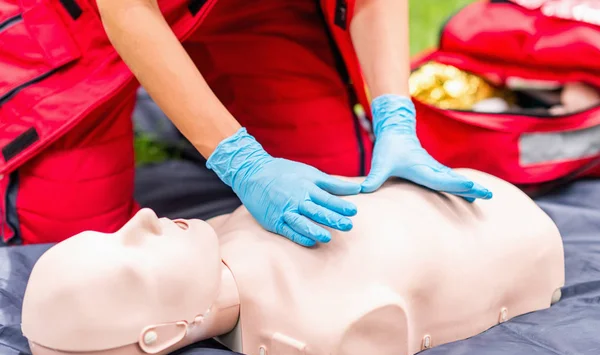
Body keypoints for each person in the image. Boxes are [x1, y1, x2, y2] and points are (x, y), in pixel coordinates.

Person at [0, 0, 491, 247]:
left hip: (248, 9)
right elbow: (128, 9)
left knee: (340, 208)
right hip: (78, 21)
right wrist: (242, 162)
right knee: (75, 257)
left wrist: (395, 116)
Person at [21, 170, 561, 355]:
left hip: (492, 204)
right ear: (157, 335)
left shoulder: (218, 235)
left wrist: (393, 110)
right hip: (509, 230)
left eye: (113, 233)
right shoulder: (329, 322)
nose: (141, 221)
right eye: (131, 260)